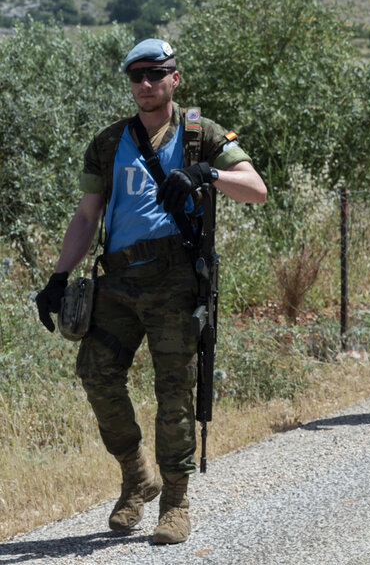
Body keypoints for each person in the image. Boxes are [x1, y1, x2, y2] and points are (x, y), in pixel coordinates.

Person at [33, 38, 268, 544]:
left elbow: (256, 188)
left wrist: (209, 173)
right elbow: (86, 213)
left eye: (155, 74)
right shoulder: (107, 141)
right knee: (96, 373)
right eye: (136, 75)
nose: (145, 84)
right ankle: (138, 476)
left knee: (174, 393)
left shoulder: (201, 134)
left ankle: (176, 503)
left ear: (174, 78)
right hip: (115, 281)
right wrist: (56, 278)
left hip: (175, 281)